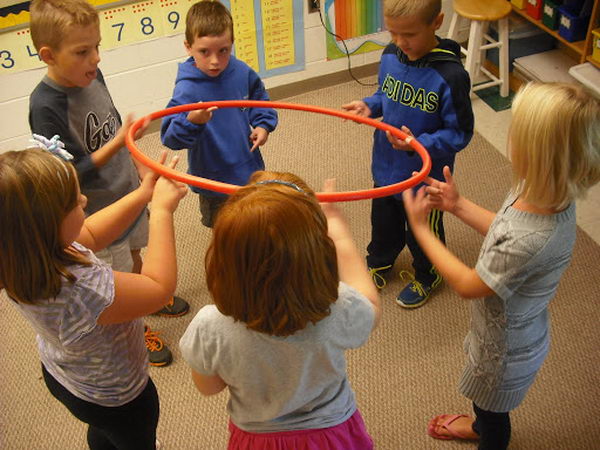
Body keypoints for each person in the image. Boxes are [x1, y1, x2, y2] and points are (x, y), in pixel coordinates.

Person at [401, 82, 600, 449]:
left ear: (538, 155)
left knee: (492, 414)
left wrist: (420, 230)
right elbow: (505, 228)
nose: (509, 137)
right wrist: (458, 205)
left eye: (517, 133)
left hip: (504, 352)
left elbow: (468, 283)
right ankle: (482, 424)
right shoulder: (541, 191)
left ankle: (485, 434)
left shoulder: (533, 238)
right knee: (487, 406)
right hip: (503, 329)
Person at [28, 0, 190, 366]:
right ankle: (137, 321)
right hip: (98, 209)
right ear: (49, 55)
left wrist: (140, 168)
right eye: (84, 51)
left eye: (97, 47)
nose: (96, 58)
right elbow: (68, 173)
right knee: (112, 272)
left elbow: (119, 130)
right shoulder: (45, 104)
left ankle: (147, 296)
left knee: (133, 252)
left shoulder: (91, 75)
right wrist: (117, 144)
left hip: (127, 188)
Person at [0, 147, 188, 449]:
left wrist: (143, 194)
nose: (84, 201)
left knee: (104, 434)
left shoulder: (23, 254)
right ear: (48, 227)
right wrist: (162, 212)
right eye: (75, 202)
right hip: (116, 396)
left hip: (65, 376)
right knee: (133, 439)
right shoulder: (82, 289)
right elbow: (157, 289)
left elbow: (90, 232)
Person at [179, 171, 380, 449]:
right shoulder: (338, 306)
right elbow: (372, 306)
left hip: (257, 439)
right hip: (332, 433)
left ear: (223, 260)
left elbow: (208, 387)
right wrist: (340, 234)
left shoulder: (209, 326)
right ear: (318, 252)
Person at [342, 0, 473, 308]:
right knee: (383, 222)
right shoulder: (390, 55)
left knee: (422, 231)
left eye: (410, 34)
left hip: (425, 179)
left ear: (437, 22)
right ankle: (379, 261)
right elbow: (384, 93)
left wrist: (421, 144)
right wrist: (369, 105)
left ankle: (429, 275)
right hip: (386, 167)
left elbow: (460, 133)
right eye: (393, 33)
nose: (401, 43)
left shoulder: (451, 76)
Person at [161, 0, 278, 228]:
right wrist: (192, 121)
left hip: (248, 166)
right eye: (204, 52)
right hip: (212, 177)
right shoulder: (187, 89)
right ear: (188, 47)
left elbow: (259, 98)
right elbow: (169, 137)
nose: (215, 61)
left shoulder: (241, 71)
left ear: (232, 44)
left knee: (253, 220)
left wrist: (263, 124)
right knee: (224, 230)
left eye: (223, 51)